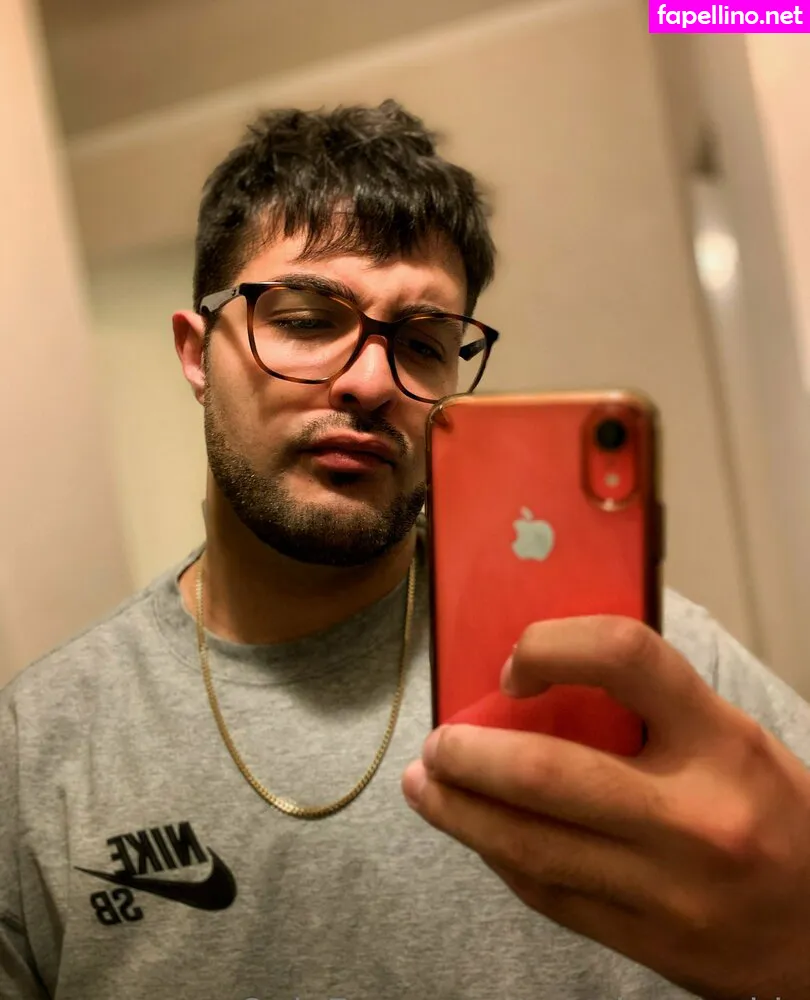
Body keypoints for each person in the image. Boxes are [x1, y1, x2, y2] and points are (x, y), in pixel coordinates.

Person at [1, 99, 808, 1000]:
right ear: (196, 354)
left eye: (423, 344)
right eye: (307, 320)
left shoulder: (640, 667)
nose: (372, 380)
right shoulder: (39, 750)